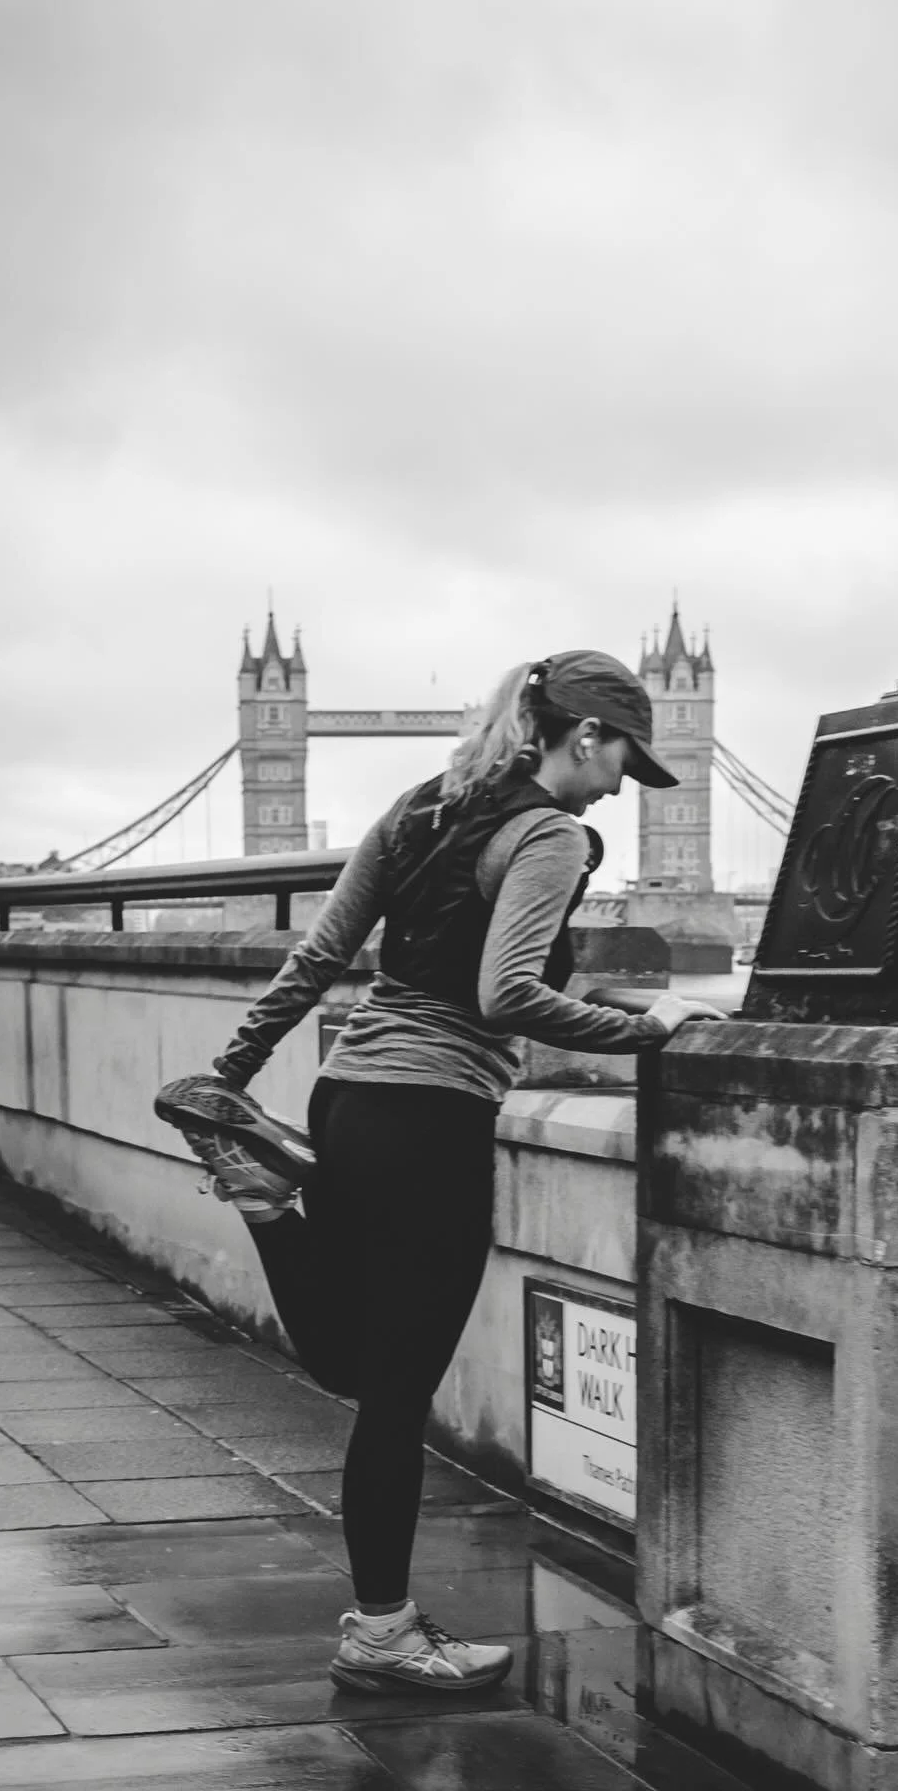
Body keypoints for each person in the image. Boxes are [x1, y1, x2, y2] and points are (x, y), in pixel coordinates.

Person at [154, 650, 722, 1697]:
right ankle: (381, 1633)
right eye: (620, 762)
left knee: (357, 1369)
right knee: (396, 1394)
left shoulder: (420, 807)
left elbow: (318, 956)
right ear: (582, 735)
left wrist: (230, 1072)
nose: (618, 789)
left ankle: (270, 1198)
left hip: (347, 1096)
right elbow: (507, 996)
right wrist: (652, 1030)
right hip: (431, 1119)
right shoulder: (554, 834)